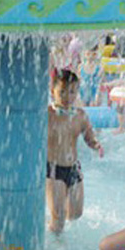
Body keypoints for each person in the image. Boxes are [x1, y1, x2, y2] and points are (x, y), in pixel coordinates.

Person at [47, 69, 104, 233]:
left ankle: (57, 230)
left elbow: (89, 137)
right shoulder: (47, 114)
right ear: (52, 91)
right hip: (53, 169)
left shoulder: (80, 115)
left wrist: (96, 145)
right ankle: (55, 239)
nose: (67, 97)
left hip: (73, 168)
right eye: (62, 92)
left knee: (75, 214)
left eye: (72, 92)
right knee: (58, 218)